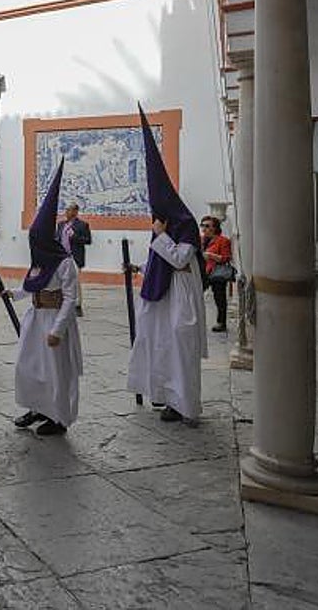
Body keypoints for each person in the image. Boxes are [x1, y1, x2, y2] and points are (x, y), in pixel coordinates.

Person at [126, 106, 207, 424]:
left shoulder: (184, 224)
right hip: (161, 296)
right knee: (160, 347)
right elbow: (157, 263)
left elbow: (179, 259)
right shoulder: (163, 225)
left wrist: (160, 236)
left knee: (180, 350)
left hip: (181, 296)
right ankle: (166, 398)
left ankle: (187, 405)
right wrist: (138, 269)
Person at [11, 160, 83, 436]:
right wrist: (15, 294)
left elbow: (69, 299)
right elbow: (33, 285)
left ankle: (58, 418)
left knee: (55, 371)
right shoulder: (39, 260)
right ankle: (36, 407)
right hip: (35, 320)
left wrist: (57, 330)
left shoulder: (65, 263)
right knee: (30, 367)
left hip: (54, 323)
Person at [56, 203, 92, 316]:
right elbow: (57, 238)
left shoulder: (82, 225)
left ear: (75, 212)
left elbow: (88, 240)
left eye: (69, 210)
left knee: (75, 281)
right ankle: (62, 303)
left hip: (74, 257)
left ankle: (77, 305)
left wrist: (74, 237)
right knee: (60, 280)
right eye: (66, 210)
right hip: (62, 257)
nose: (66, 212)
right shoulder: (61, 224)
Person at [201, 216, 233, 332]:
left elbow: (226, 258)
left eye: (208, 226)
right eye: (203, 225)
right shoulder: (201, 240)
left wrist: (210, 256)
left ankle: (221, 322)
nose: (204, 228)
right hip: (204, 272)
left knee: (219, 298)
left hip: (217, 273)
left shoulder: (223, 240)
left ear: (215, 228)